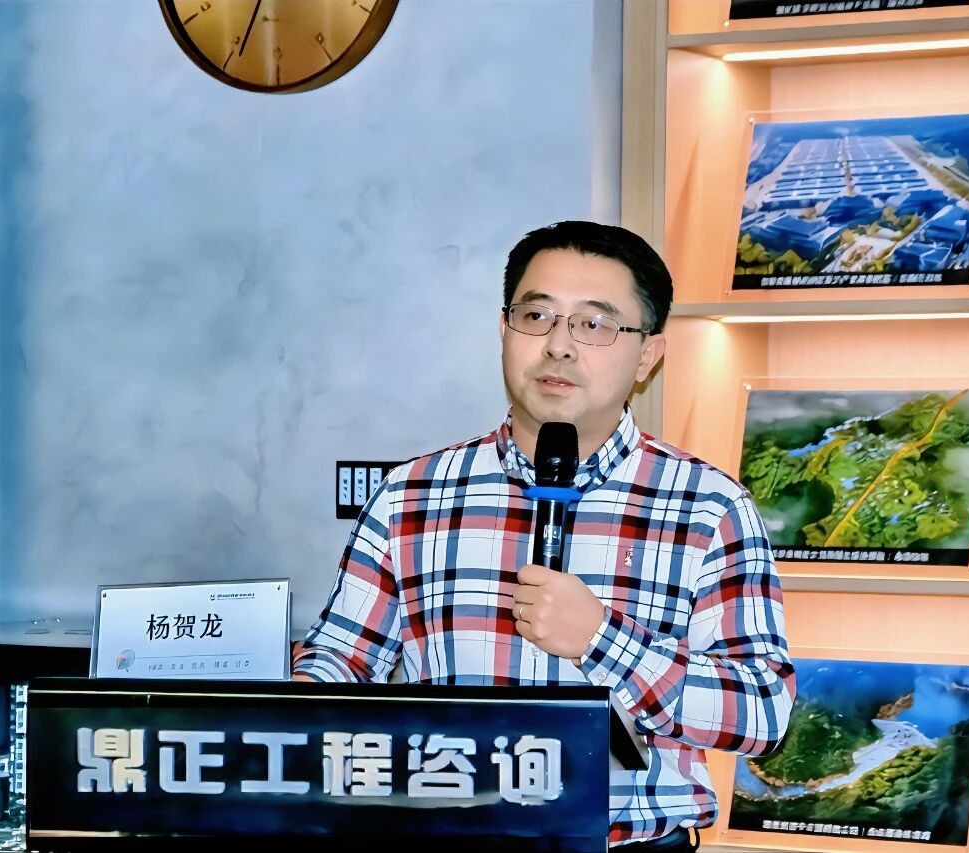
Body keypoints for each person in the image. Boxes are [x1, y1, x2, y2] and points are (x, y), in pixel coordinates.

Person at [293, 220, 795, 851]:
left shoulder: (708, 505)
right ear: (504, 330)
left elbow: (761, 713)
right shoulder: (412, 494)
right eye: (537, 316)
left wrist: (601, 640)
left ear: (648, 354)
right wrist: (282, 706)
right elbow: (341, 661)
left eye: (595, 324)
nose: (559, 346)